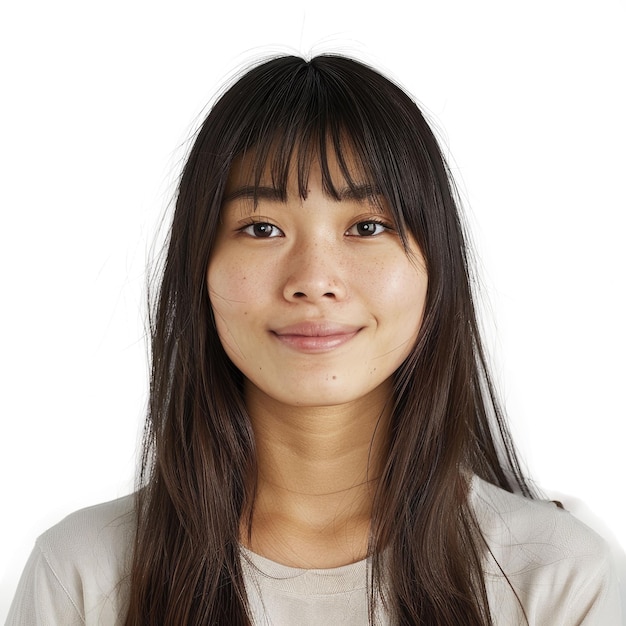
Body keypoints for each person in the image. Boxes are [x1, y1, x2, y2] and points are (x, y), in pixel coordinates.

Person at [6, 54, 622, 625]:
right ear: (201, 266)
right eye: (262, 226)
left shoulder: (558, 581)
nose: (314, 281)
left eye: (368, 226)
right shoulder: (84, 577)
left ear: (436, 268)